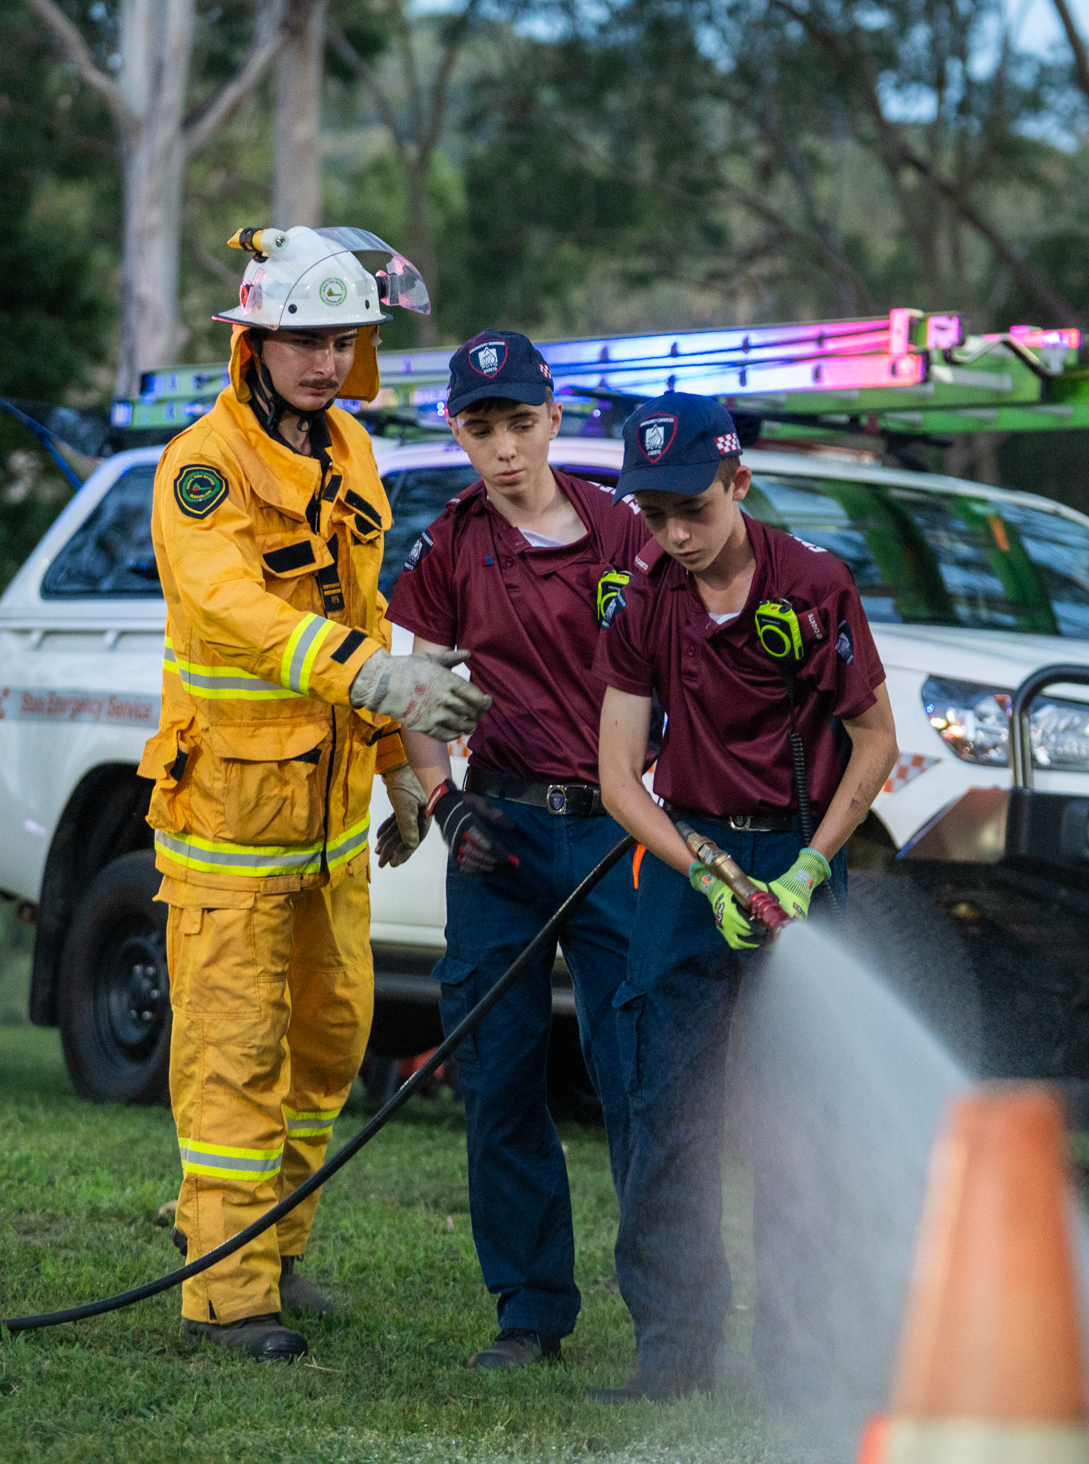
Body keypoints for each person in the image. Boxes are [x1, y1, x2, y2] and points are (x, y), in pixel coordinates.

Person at [139, 225, 490, 1363]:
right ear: (253, 341)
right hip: (229, 827)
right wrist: (372, 674)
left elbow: (363, 611)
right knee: (233, 1053)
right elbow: (235, 608)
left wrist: (394, 768)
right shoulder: (202, 465)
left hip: (330, 826)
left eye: (340, 339)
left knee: (331, 1042)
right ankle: (225, 1296)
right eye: (300, 338)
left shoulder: (348, 449)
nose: (323, 360)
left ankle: (280, 1253)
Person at [589, 392, 899, 1404]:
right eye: (652, 514)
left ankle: (797, 1354)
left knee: (798, 1123)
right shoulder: (640, 598)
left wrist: (806, 869)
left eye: (691, 509)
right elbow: (618, 778)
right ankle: (672, 1353)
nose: (672, 534)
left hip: (798, 862)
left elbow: (875, 742)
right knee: (663, 1111)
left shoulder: (813, 586)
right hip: (692, 870)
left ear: (738, 484)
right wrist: (703, 870)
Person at [382, 330, 658, 1370]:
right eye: (479, 427)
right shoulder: (448, 543)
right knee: (498, 1075)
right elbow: (419, 690)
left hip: (611, 833)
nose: (503, 449)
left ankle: (666, 1322)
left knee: (635, 1071)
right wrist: (445, 806)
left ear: (553, 417)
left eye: (519, 423)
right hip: (494, 839)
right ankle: (529, 1311)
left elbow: (675, 663)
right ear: (457, 431)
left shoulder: (623, 527)